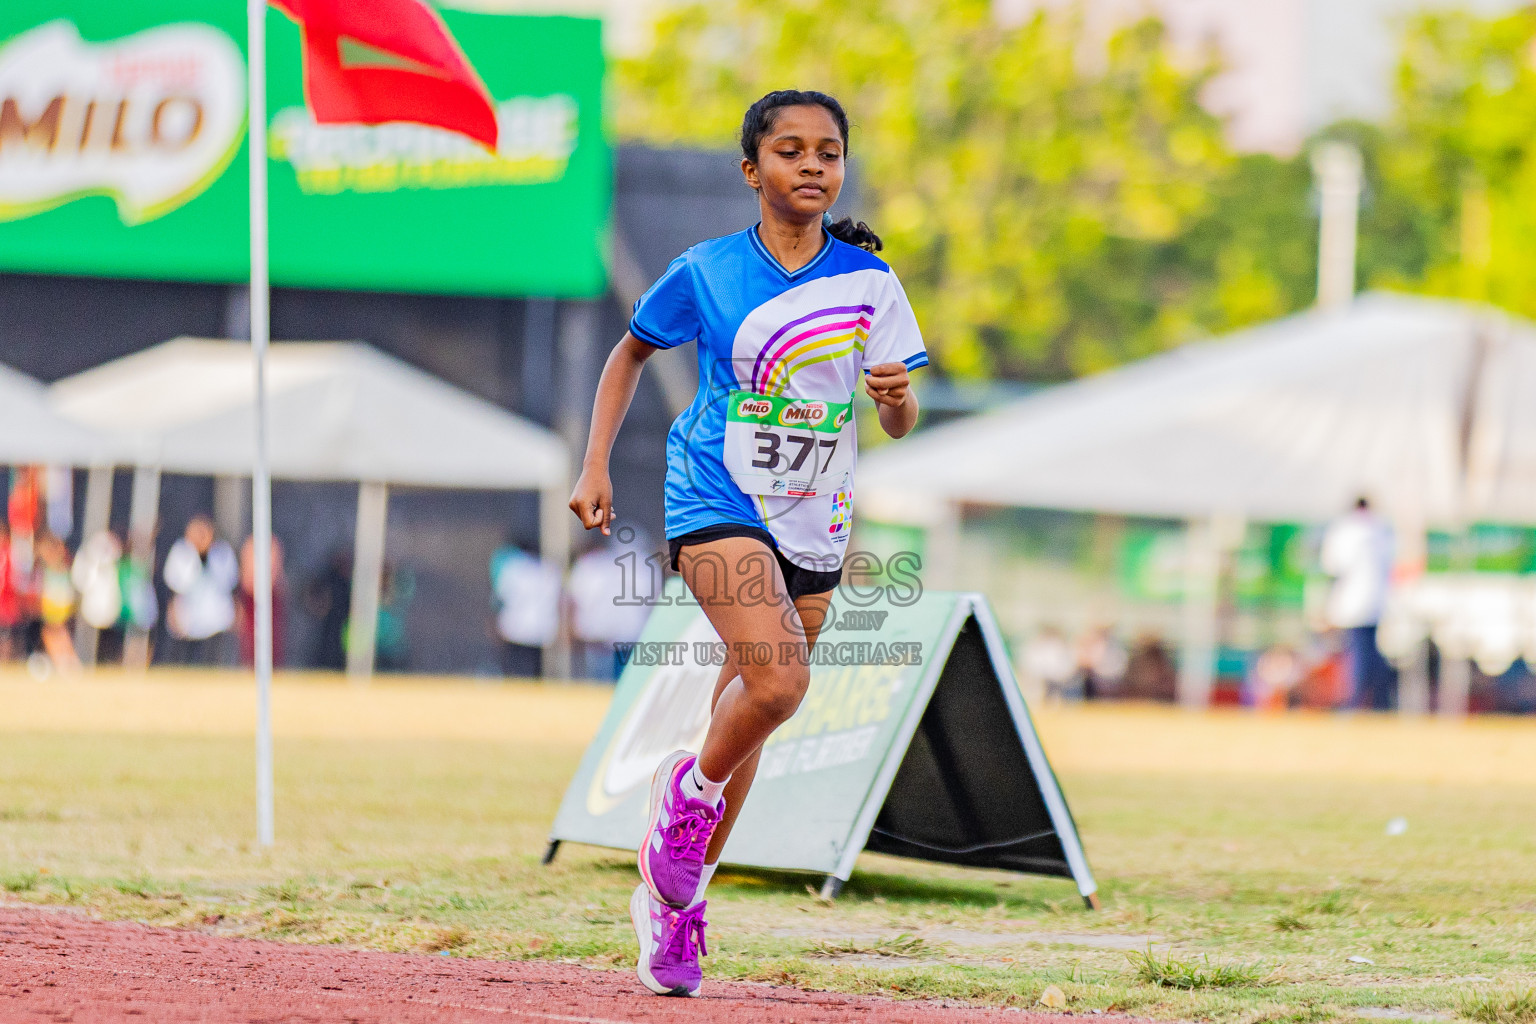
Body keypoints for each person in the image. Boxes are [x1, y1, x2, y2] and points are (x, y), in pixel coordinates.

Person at [569, 90, 927, 999]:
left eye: (829, 152)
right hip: (715, 493)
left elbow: (901, 420)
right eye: (791, 150)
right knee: (779, 679)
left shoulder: (870, 286)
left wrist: (890, 399)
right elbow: (628, 355)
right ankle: (685, 796)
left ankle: (676, 903)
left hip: (816, 514)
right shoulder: (706, 270)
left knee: (752, 701)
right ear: (751, 170)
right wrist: (596, 465)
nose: (813, 166)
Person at [1320, 496, 1397, 710]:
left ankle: (1355, 701)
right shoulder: (1382, 529)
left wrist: (1327, 603)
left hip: (1351, 602)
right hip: (1376, 600)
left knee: (1358, 653)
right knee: (1370, 650)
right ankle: (1380, 700)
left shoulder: (1344, 530)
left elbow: (1333, 568)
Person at [567, 530, 656, 681]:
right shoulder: (645, 567)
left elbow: (575, 600)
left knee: (599, 684)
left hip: (602, 637)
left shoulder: (593, 565)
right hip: (624, 636)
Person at [163, 515, 239, 666]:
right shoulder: (181, 552)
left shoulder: (222, 552)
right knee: (184, 659)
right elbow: (176, 581)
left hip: (215, 617)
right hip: (188, 615)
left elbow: (229, 580)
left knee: (212, 659)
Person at [490, 539, 560, 678]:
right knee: (536, 676)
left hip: (515, 631)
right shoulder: (550, 570)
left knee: (515, 675)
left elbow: (501, 597)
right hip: (541, 632)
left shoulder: (514, 568)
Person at [237, 534, 286, 668]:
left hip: (270, 597)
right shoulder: (250, 545)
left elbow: (277, 573)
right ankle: (250, 667)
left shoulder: (272, 545)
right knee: (251, 638)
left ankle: (272, 668)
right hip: (252, 597)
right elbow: (246, 573)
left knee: (272, 638)